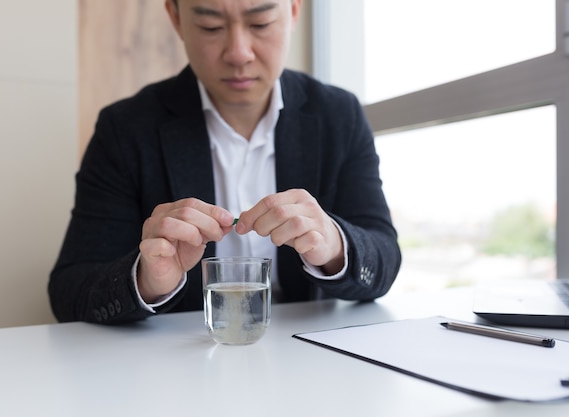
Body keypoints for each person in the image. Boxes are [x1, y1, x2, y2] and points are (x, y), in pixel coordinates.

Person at [49, 0, 401, 324]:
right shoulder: (125, 128)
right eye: (210, 27)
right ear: (176, 18)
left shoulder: (339, 115)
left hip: (307, 356)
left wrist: (335, 246)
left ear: (294, 10)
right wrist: (145, 280)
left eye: (260, 23)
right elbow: (69, 291)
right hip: (174, 367)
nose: (238, 53)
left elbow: (384, 259)